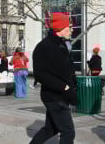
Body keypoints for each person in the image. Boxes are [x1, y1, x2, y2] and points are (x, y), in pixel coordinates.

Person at [31, 12, 77, 144]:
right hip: (55, 96)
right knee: (68, 132)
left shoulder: (62, 45)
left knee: (50, 129)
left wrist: (72, 85)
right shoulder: (44, 47)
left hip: (62, 95)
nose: (72, 29)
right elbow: (40, 74)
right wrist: (64, 87)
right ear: (60, 28)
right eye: (69, 26)